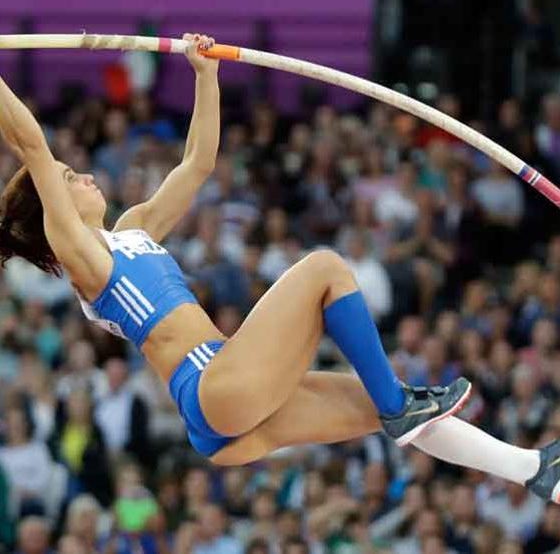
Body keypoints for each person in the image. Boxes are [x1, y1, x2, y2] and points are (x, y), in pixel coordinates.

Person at [0, 33, 558, 503]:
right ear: (52, 206)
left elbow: (197, 164)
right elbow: (30, 142)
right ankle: (400, 408)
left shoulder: (132, 230)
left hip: (229, 398)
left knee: (378, 405)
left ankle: (535, 470)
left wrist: (205, 76)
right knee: (324, 269)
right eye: (69, 178)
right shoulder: (82, 256)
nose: (83, 176)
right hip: (213, 386)